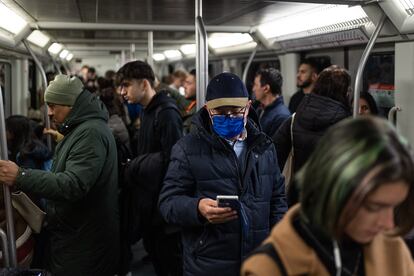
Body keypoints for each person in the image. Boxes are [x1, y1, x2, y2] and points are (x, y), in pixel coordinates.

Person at [242, 116, 414, 276]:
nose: (388, 223)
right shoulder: (270, 268)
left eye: (394, 206)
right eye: (374, 207)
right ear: (332, 190)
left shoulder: (392, 250)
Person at [159, 72, 287, 276]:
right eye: (220, 111)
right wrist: (197, 208)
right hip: (208, 264)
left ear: (247, 109)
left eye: (235, 110)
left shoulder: (264, 148)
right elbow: (168, 203)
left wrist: (277, 242)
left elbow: (277, 198)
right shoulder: (187, 149)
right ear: (208, 111)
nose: (228, 116)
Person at [0, 75, 120, 275]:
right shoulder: (83, 129)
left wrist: (20, 175)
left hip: (84, 239)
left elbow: (73, 184)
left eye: (53, 106)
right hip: (78, 231)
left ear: (70, 104)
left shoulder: (90, 134)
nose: (49, 112)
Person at [116, 60, 183, 276]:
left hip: (162, 206)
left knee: (168, 263)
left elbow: (172, 160)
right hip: (148, 200)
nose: (122, 92)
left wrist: (134, 166)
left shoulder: (167, 113)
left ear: (144, 84)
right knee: (155, 257)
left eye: (126, 85)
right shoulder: (147, 111)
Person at [274, 65, 352, 206]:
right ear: (345, 93)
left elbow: (273, 159)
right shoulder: (348, 127)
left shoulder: (293, 120)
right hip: (332, 206)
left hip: (297, 201)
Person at [253, 68, 290, 136]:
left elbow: (273, 145)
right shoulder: (260, 109)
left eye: (256, 85)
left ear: (266, 88)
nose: (253, 89)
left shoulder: (281, 117)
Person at [182, 69, 197, 134]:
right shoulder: (193, 104)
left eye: (189, 83)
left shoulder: (199, 111)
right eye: (185, 83)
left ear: (199, 85)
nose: (184, 86)